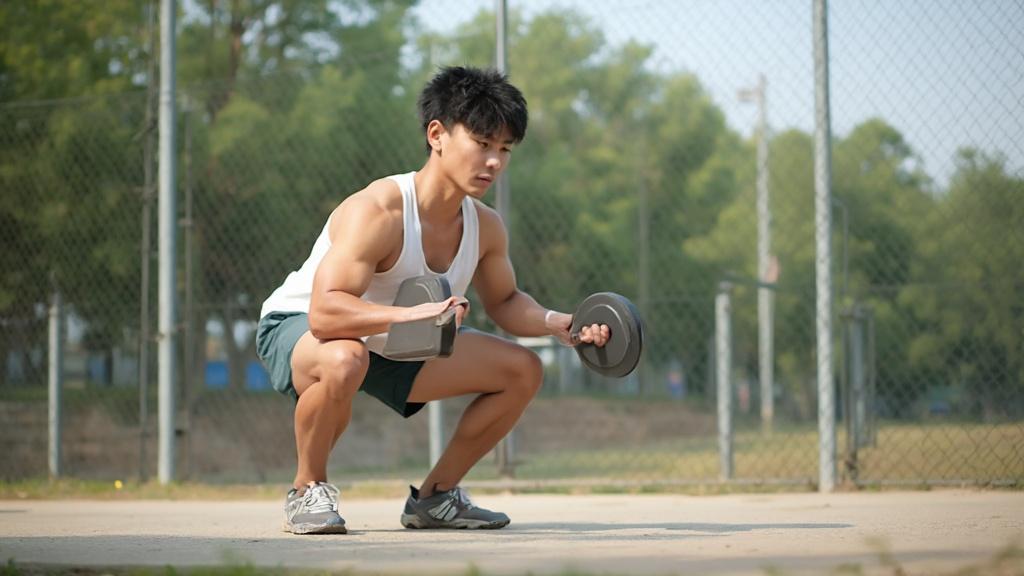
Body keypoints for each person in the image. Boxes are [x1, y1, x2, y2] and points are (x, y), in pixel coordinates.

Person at [256, 66, 609, 535]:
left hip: (394, 337)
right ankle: (307, 490)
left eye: (505, 149)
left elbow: (505, 301)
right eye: (482, 143)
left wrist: (556, 322)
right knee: (344, 359)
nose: (495, 161)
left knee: (522, 370)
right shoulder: (379, 211)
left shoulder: (485, 226)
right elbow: (325, 314)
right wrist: (410, 315)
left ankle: (436, 499)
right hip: (303, 325)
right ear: (437, 134)